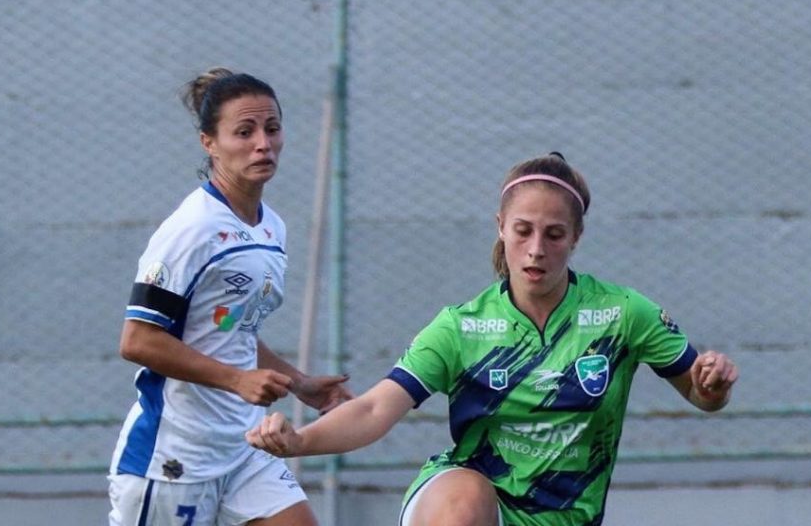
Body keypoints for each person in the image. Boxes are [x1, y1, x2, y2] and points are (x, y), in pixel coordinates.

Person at [246, 152, 739, 526]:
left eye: (554, 234)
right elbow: (376, 408)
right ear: (501, 227)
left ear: (576, 238)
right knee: (464, 503)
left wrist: (711, 389)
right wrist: (298, 442)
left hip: (567, 514)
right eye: (523, 230)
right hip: (473, 503)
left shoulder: (622, 313)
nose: (536, 249)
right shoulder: (461, 327)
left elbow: (699, 393)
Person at [108, 67, 352, 526]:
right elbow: (138, 341)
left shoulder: (270, 227)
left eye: (272, 128)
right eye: (244, 131)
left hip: (240, 446)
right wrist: (237, 381)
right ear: (209, 143)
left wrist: (300, 383)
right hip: (175, 458)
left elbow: (230, 329)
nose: (263, 143)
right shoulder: (192, 230)